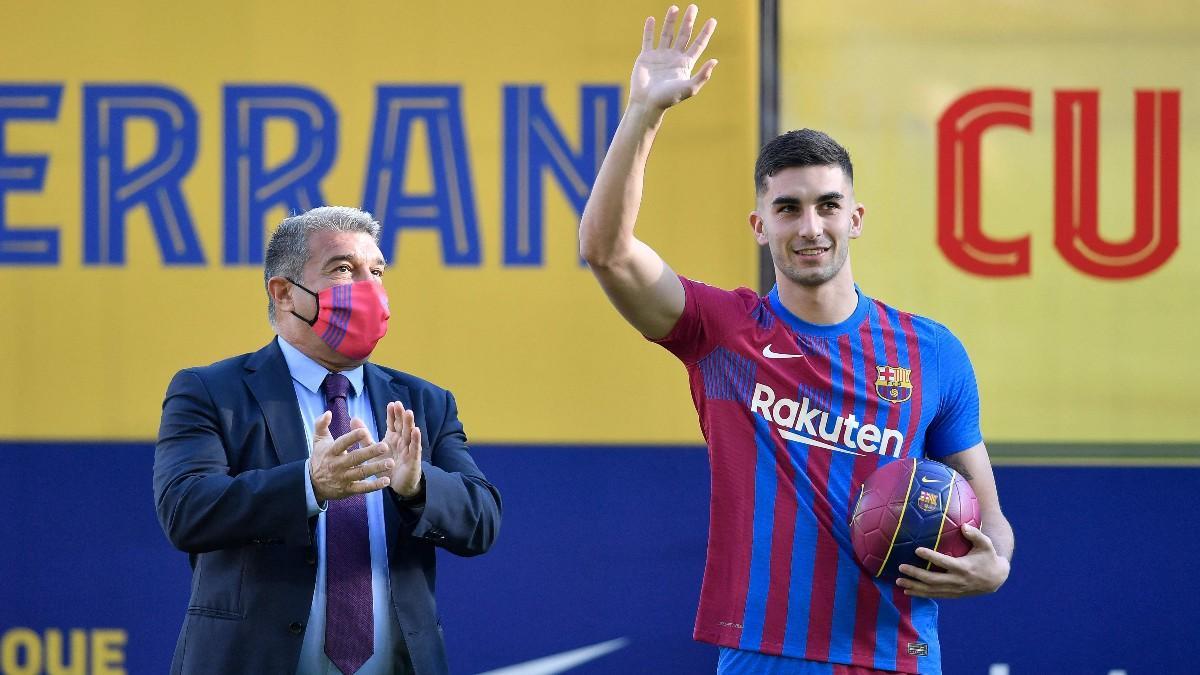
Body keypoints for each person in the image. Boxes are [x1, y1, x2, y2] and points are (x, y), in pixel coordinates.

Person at [578, 5, 1014, 674]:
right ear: (760, 224)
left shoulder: (933, 351)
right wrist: (644, 112)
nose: (809, 225)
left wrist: (996, 564)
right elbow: (606, 250)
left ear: (855, 218)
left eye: (827, 205)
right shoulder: (722, 332)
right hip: (765, 653)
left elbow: (987, 511)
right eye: (787, 208)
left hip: (895, 655)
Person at [153, 206, 501, 675]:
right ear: (284, 294)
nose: (369, 287)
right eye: (344, 269)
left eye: (376, 271)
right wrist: (307, 485)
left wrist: (418, 488)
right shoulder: (214, 392)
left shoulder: (425, 401)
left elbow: (482, 522)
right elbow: (186, 510)